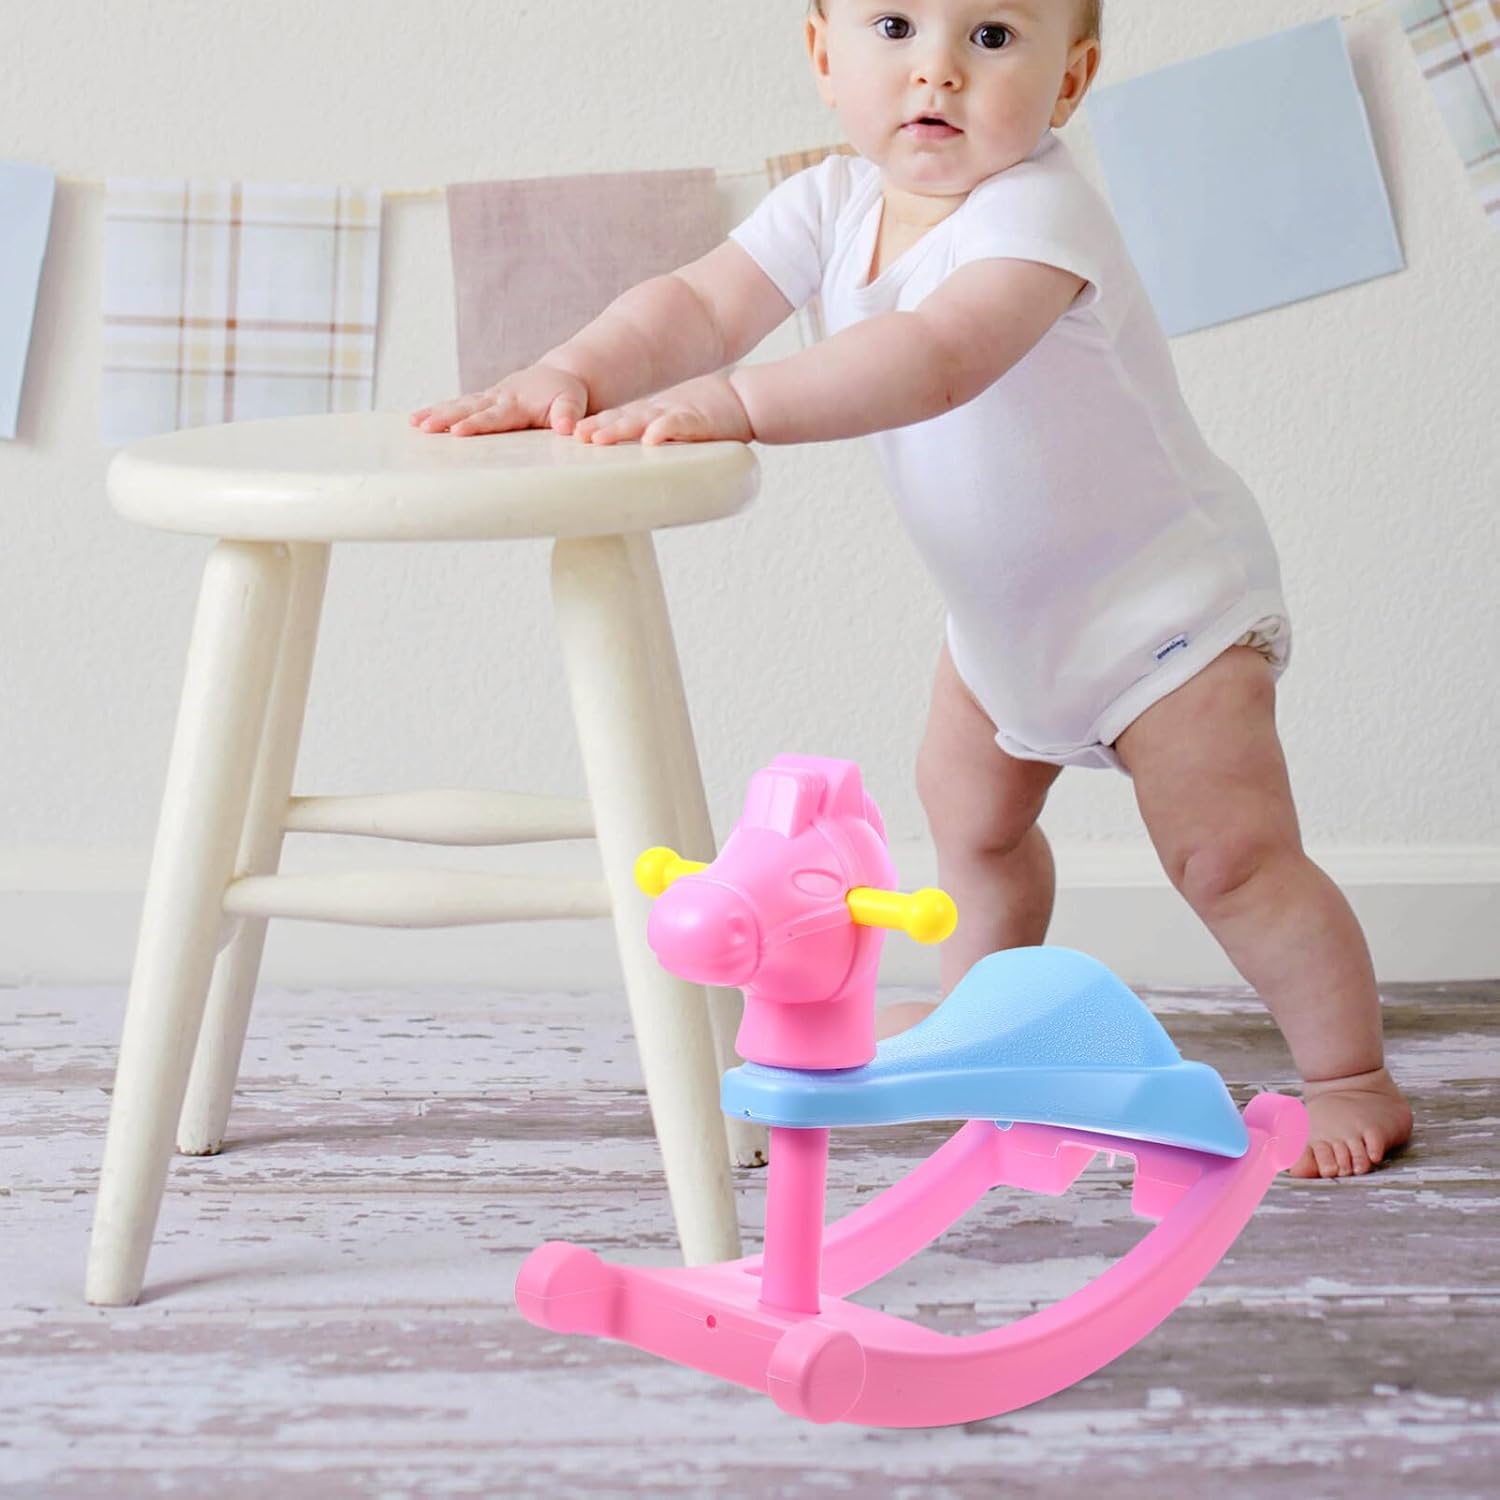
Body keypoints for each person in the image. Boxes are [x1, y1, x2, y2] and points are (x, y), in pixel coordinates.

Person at [410, 0, 1413, 1179]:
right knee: (973, 829)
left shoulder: (1039, 214)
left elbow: (936, 359)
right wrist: (571, 369)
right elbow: (696, 305)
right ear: (821, 53)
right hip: (1004, 629)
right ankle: (981, 1025)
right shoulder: (830, 203)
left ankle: (1351, 1074)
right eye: (894, 25)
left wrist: (738, 403)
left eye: (991, 36)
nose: (937, 68)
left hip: (1166, 614)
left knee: (1229, 860)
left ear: (1071, 80)